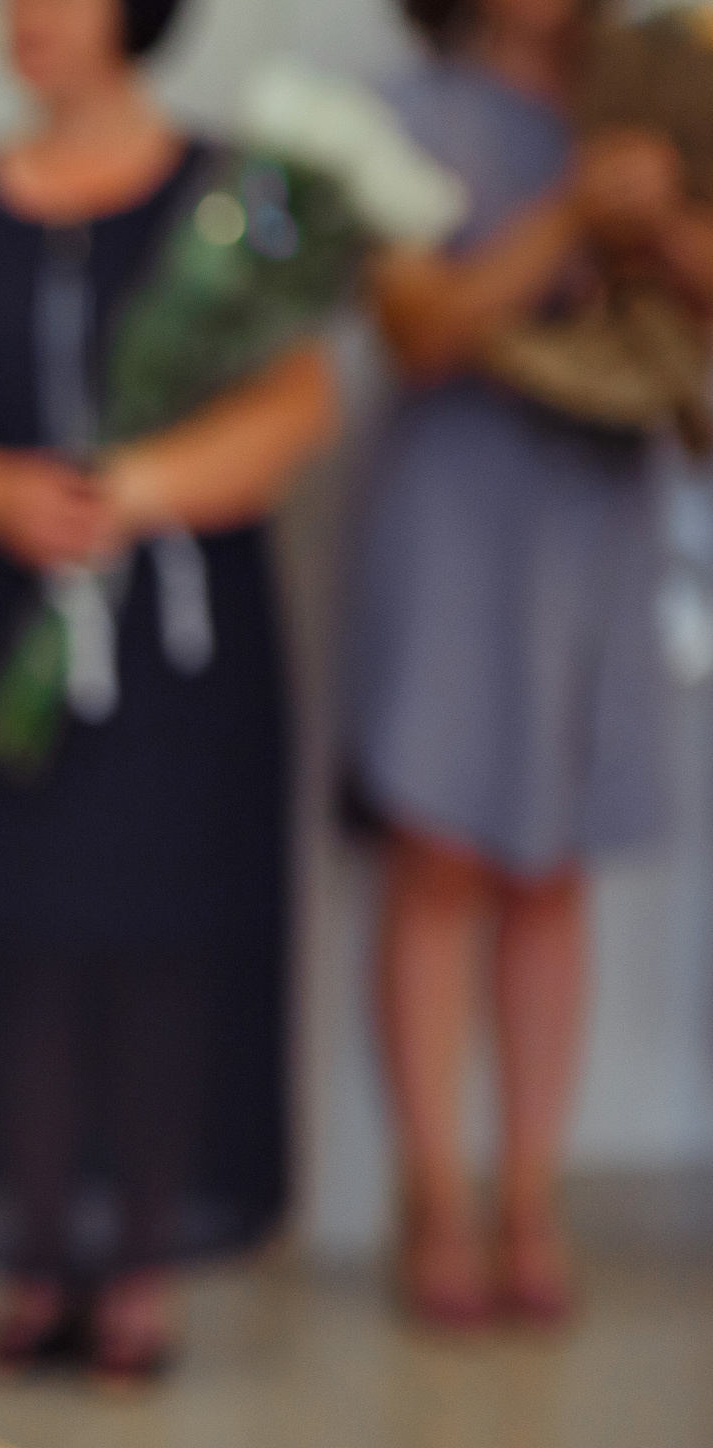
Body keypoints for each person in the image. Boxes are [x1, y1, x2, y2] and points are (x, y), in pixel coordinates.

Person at [0, 0, 332, 1378]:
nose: (26, 17)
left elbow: (297, 404)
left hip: (184, 647)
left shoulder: (237, 196)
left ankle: (143, 1266)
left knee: (167, 935)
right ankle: (34, 1246)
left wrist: (138, 492)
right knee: (11, 935)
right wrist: (4, 495)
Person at [346, 0, 713, 1328]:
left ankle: (531, 1192)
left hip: (599, 505)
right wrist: (569, 210)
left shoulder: (671, 94)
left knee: (554, 863)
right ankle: (436, 1191)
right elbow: (420, 323)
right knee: (443, 845)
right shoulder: (405, 116)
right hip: (455, 505)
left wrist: (664, 216)